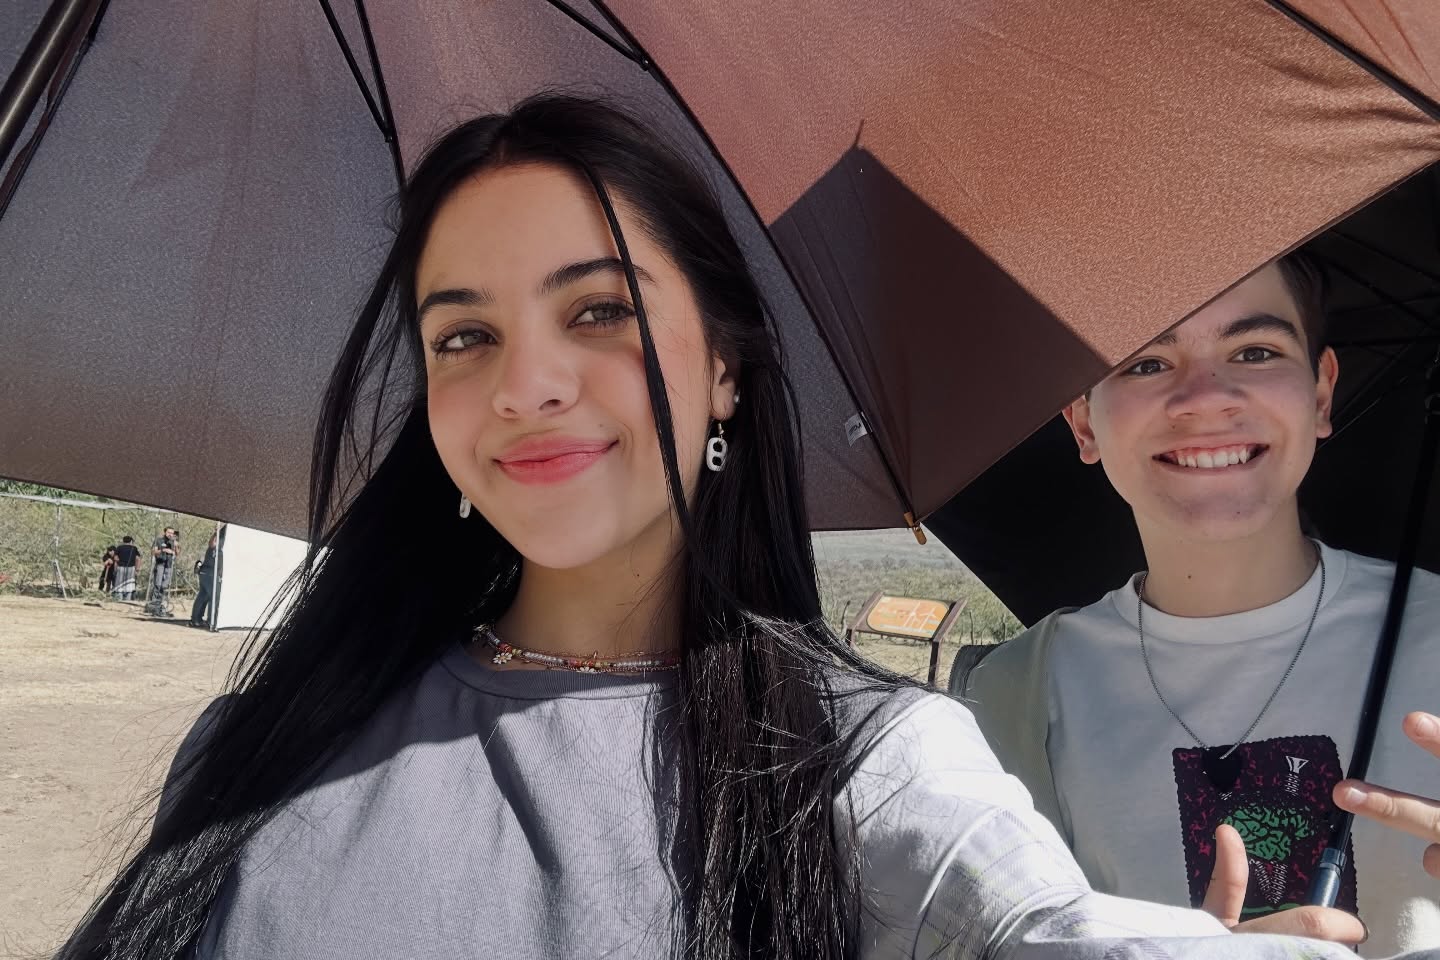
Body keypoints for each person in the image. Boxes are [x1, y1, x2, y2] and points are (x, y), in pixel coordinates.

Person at [56, 96, 1423, 960]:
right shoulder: (253, 747)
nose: (524, 381)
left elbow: (1027, 923)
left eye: (598, 311)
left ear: (724, 367)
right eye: (464, 334)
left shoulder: (850, 759)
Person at [963, 253, 1440, 957]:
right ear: (1082, 422)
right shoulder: (1017, 699)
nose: (1203, 398)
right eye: (1144, 363)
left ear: (1320, 392)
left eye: (1255, 350)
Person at [145, 526, 179, 617]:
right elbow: (153, 552)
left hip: (169, 565)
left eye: (172, 533)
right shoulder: (159, 540)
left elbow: (177, 553)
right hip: (160, 564)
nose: (170, 534)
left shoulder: (173, 542)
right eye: (169, 532)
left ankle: (160, 603)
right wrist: (163, 550)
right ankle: (153, 605)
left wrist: (176, 546)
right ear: (164, 532)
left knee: (164, 585)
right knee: (158, 584)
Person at [189, 530, 219, 629]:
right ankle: (210, 620)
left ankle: (196, 619)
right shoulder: (213, 547)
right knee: (212, 597)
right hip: (208, 573)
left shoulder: (219, 548)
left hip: (207, 573)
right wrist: (216, 533)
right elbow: (211, 543)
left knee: (203, 596)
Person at [110, 535, 141, 601]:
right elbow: (138, 559)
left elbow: (115, 558)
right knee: (129, 583)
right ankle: (128, 599)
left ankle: (119, 598)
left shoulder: (119, 547)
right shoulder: (134, 548)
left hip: (121, 567)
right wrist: (137, 569)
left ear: (123, 541)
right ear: (131, 541)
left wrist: (116, 565)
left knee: (119, 583)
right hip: (131, 568)